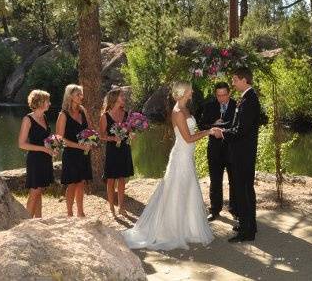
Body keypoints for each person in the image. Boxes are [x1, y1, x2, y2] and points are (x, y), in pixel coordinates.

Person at [123, 81, 216, 250]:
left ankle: (189, 228)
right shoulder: (178, 112)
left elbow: (191, 133)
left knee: (187, 190)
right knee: (177, 191)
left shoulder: (185, 108)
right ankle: (171, 230)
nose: (192, 91)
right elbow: (188, 138)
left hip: (187, 155)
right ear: (183, 92)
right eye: (190, 89)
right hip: (181, 156)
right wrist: (208, 132)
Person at [213, 67, 261, 243]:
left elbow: (242, 130)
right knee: (243, 190)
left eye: (234, 79)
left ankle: (247, 232)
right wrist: (219, 127)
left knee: (244, 191)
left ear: (243, 80)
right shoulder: (245, 98)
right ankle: (247, 224)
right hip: (241, 153)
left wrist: (222, 133)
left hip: (244, 154)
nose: (232, 82)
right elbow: (235, 124)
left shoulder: (250, 100)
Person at [198, 81, 237, 221]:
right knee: (215, 180)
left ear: (229, 93)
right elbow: (201, 124)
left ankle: (235, 209)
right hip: (214, 149)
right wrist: (214, 124)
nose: (222, 98)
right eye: (219, 95)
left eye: (224, 95)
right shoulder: (209, 106)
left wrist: (223, 128)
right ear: (216, 94)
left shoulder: (236, 105)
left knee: (234, 180)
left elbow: (237, 125)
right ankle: (215, 210)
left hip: (232, 149)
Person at [57, 84, 94, 217]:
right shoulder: (63, 115)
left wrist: (90, 141)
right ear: (70, 96)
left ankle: (81, 212)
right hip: (71, 154)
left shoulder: (83, 110)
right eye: (78, 94)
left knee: (81, 182)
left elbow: (89, 130)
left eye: (81, 94)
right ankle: (69, 213)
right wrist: (79, 146)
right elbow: (60, 139)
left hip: (84, 153)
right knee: (72, 184)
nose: (81, 97)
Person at [17, 89, 55, 217]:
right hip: (35, 160)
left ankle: (39, 220)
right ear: (39, 102)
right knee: (34, 193)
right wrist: (44, 149)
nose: (49, 103)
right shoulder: (28, 119)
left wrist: (52, 145)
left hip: (45, 158)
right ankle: (27, 224)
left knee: (39, 191)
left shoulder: (44, 117)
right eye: (47, 101)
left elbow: (44, 139)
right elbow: (21, 144)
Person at [99, 88, 134, 218]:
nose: (124, 97)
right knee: (111, 179)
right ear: (114, 98)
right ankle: (111, 207)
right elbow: (101, 135)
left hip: (124, 148)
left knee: (122, 178)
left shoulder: (126, 114)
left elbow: (129, 131)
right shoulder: (105, 116)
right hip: (112, 150)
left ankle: (121, 206)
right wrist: (113, 138)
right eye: (121, 95)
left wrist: (131, 134)